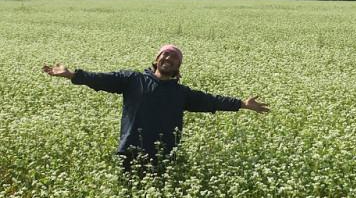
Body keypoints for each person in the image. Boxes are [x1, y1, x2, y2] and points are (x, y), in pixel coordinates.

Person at [43, 44, 269, 172]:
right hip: (130, 151)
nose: (168, 58)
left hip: (162, 156)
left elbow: (211, 100)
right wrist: (73, 75)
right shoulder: (133, 80)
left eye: (174, 57)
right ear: (157, 59)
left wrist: (241, 104)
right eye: (165, 54)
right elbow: (102, 79)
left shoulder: (182, 93)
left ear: (178, 66)